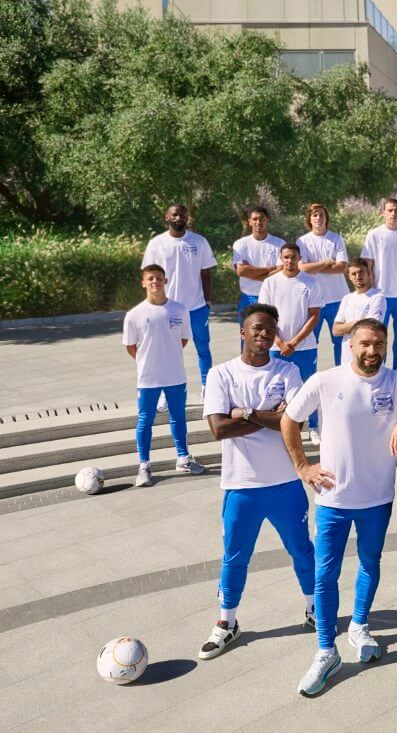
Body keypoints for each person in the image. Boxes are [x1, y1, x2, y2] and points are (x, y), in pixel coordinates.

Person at [282, 318, 397, 697]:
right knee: (325, 576)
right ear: (351, 346)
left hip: (377, 497)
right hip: (333, 500)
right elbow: (289, 420)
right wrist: (302, 467)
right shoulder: (326, 381)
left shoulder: (395, 381)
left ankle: (359, 626)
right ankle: (326, 651)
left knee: (370, 565)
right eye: (365, 344)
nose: (372, 351)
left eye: (379, 344)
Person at [198, 304, 315, 660]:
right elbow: (218, 428)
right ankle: (227, 623)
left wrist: (246, 412)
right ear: (243, 332)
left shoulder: (288, 370)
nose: (264, 335)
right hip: (241, 485)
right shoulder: (221, 375)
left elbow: (295, 423)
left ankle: (314, 609)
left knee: (302, 551)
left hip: (285, 483)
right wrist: (273, 416)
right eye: (257, 329)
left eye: (269, 330)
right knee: (235, 557)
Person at [122, 264, 206, 487]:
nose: (155, 282)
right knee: (145, 421)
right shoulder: (134, 315)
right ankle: (144, 465)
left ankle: (183, 458)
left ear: (165, 281)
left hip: (175, 375)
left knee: (178, 418)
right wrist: (147, 361)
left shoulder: (179, 309)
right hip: (148, 378)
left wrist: (167, 356)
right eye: (150, 278)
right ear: (143, 283)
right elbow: (131, 346)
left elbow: (183, 340)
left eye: (159, 278)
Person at [142, 204, 217, 390]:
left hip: (196, 307)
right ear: (167, 217)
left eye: (182, 215)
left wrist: (207, 302)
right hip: (168, 308)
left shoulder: (199, 242)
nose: (179, 218)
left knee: (203, 350)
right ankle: (164, 390)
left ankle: (207, 388)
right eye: (175, 215)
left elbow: (206, 273)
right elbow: (149, 276)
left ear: (187, 218)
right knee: (167, 351)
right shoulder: (156, 244)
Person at [259, 244, 321, 439]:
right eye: (286, 257)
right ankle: (276, 427)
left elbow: (314, 316)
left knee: (308, 387)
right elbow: (265, 317)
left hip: (305, 347)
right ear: (281, 258)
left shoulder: (310, 282)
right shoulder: (270, 283)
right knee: (275, 389)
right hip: (276, 348)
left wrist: (293, 342)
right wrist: (280, 342)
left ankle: (313, 427)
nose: (289, 261)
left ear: (298, 258)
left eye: (293, 257)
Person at [360, 198, 397, 370]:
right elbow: (368, 265)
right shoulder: (374, 234)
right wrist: (370, 291)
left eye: (396, 210)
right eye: (390, 210)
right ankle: (379, 371)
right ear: (383, 213)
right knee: (378, 337)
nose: (393, 214)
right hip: (381, 296)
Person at [296, 203, 350, 366]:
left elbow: (341, 267)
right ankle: (310, 377)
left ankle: (342, 375)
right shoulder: (302, 241)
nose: (318, 218)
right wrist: (327, 262)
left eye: (321, 215)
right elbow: (303, 268)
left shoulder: (336, 239)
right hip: (314, 302)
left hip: (338, 299)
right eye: (315, 215)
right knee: (311, 342)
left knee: (341, 342)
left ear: (326, 218)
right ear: (309, 219)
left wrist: (315, 267)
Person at [230, 206, 283, 325]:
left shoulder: (279, 243)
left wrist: (252, 273)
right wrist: (270, 269)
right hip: (249, 298)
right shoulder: (241, 244)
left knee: (273, 337)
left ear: (267, 220)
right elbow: (241, 271)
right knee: (247, 338)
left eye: (262, 218)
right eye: (255, 219)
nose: (258, 222)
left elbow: (281, 271)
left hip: (273, 298)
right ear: (249, 222)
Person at [332, 259, 387, 367]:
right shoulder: (347, 298)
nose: (358, 276)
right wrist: (361, 322)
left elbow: (371, 327)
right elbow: (336, 330)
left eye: (361, 272)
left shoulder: (378, 297)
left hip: (369, 357)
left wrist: (346, 327)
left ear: (368, 273)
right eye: (354, 274)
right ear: (349, 277)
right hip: (347, 358)